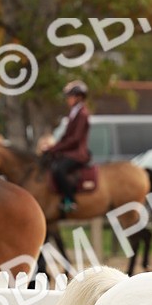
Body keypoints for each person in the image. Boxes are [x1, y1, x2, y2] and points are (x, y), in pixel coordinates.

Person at [46, 80, 91, 212]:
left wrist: (55, 148)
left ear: (79, 97)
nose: (68, 99)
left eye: (70, 96)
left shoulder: (82, 114)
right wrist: (52, 148)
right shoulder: (74, 113)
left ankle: (70, 200)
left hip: (78, 153)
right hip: (70, 151)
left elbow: (75, 139)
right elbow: (66, 136)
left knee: (59, 169)